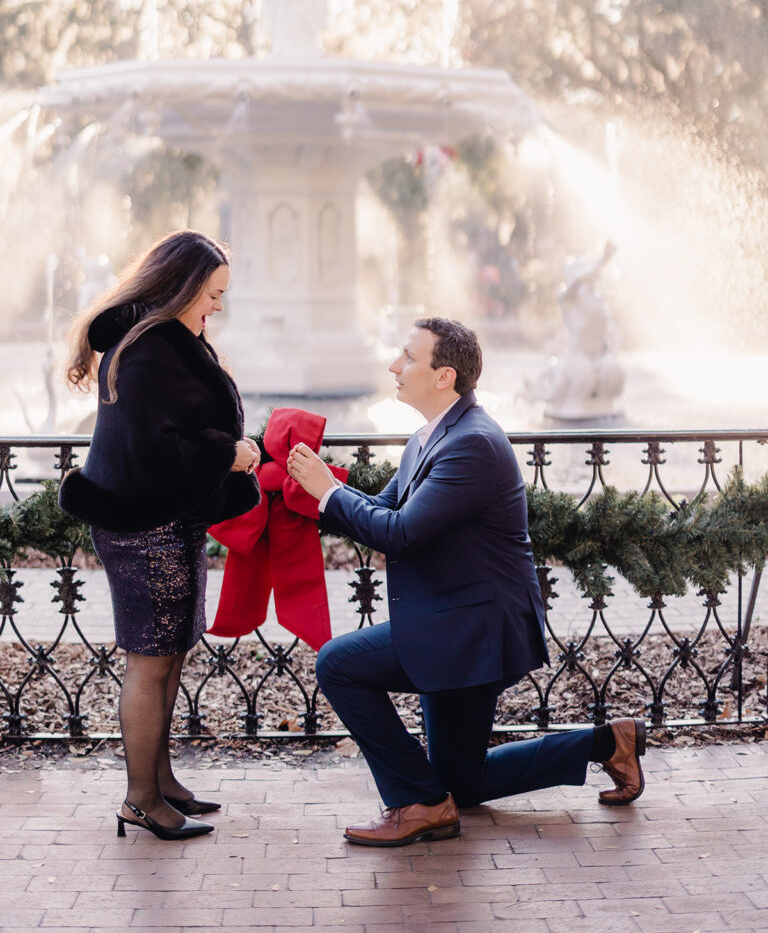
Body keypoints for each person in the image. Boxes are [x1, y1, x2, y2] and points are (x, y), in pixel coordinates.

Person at [287, 317, 645, 847]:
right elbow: (381, 509)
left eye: (407, 357)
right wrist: (312, 490)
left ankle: (419, 804)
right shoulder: (431, 436)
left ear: (443, 376)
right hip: (450, 622)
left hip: (473, 630)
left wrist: (328, 493)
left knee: (337, 664)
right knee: (463, 780)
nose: (393, 365)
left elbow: (401, 533)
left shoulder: (472, 444)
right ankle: (608, 743)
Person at [59, 230, 261, 841]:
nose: (219, 307)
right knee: (150, 663)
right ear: (182, 286)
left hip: (163, 518)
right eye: (214, 294)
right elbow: (156, 448)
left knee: (168, 654)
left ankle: (161, 781)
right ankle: (141, 799)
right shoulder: (152, 348)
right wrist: (230, 454)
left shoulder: (163, 339)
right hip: (145, 523)